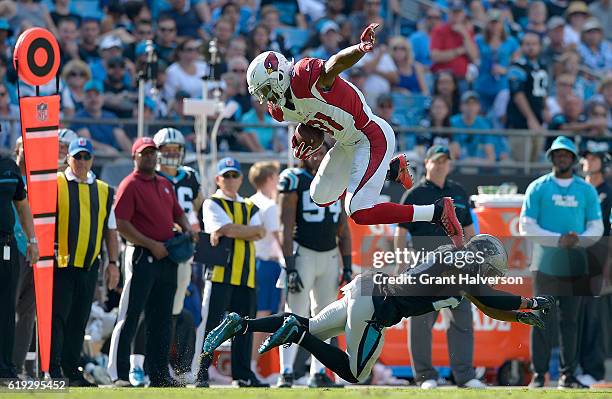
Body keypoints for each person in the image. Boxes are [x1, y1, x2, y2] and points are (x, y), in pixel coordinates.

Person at [202, 234, 552, 385]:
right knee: (354, 374)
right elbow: (489, 297)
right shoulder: (463, 267)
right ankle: (295, 335)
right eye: (489, 268)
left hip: (366, 287)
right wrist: (529, 301)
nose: (487, 274)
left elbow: (487, 304)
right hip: (376, 306)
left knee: (311, 326)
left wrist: (517, 313)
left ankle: (241, 323)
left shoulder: (451, 259)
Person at [246, 24, 464, 248]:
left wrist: (359, 49)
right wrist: (306, 136)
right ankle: (391, 170)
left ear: (280, 75)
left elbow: (333, 65)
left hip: (371, 136)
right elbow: (314, 117)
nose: (266, 98)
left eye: (266, 90)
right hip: (347, 142)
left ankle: (437, 211)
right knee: (319, 196)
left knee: (358, 211)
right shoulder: (280, 110)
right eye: (262, 94)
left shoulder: (304, 76)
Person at [107, 137, 195, 387]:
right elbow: (122, 224)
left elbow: (178, 212)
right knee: (131, 314)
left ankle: (159, 375)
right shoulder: (129, 184)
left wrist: (187, 228)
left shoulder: (165, 184)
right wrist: (150, 244)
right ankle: (120, 373)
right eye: (144, 153)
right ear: (135, 157)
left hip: (167, 257)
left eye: (153, 153)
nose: (150, 157)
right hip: (142, 256)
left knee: (163, 318)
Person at [519, 136, 603, 389]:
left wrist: (578, 240)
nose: (562, 157)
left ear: (574, 159)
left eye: (567, 154)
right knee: (540, 318)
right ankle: (538, 375)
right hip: (545, 263)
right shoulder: (538, 187)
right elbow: (526, 225)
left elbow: (596, 225)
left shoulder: (586, 190)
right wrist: (558, 240)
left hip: (576, 263)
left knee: (571, 321)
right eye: (558, 153)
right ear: (552, 158)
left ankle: (568, 375)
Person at [395, 145, 480, 389]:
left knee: (462, 320)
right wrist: (402, 263)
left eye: (445, 160)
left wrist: (472, 259)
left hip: (456, 266)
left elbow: (468, 230)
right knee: (421, 321)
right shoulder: (414, 193)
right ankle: (425, 377)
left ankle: (465, 376)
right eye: (436, 160)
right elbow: (401, 233)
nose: (441, 164)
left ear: (450, 164)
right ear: (428, 163)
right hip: (424, 264)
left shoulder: (459, 192)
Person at [276, 143, 352, 388]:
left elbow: (343, 226)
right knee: (294, 313)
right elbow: (285, 226)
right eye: (313, 152)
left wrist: (347, 264)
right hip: (303, 253)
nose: (318, 157)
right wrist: (289, 265)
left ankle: (317, 372)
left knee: (325, 317)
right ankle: (286, 371)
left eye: (322, 152)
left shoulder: (336, 179)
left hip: (329, 255)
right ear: (303, 154)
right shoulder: (294, 179)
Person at [50, 138, 120, 386]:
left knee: (79, 319)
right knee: (57, 318)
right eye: (77, 157)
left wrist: (114, 263)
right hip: (60, 263)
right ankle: (53, 369)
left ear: (92, 159)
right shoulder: (55, 183)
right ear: (67, 158)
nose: (81, 162)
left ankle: (71, 370)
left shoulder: (103, 190)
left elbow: (110, 230)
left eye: (85, 157)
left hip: (89, 265)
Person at [194, 157, 267, 388]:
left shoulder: (249, 205)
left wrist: (232, 230)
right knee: (211, 325)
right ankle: (201, 373)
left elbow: (260, 232)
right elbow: (224, 228)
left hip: (245, 275)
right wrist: (242, 230)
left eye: (235, 175)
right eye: (226, 175)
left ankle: (243, 375)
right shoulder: (212, 202)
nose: (231, 179)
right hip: (219, 273)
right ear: (218, 179)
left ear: (241, 178)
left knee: (244, 326)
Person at [0, 151, 38, 380]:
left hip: (6, 246)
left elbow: (22, 206)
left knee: (6, 309)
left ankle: (5, 368)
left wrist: (32, 240)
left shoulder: (9, 167)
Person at [576, 148, 611, 387]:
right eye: (586, 157)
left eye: (594, 158)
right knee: (576, 315)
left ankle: (595, 370)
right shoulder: (578, 191)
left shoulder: (609, 192)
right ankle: (577, 367)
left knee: (595, 317)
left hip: (601, 261)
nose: (588, 161)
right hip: (576, 261)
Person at [247, 161, 283, 376]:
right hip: (267, 264)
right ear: (269, 179)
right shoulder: (268, 206)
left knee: (259, 316)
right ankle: (252, 365)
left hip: (255, 263)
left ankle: (252, 365)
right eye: (276, 177)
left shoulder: (250, 201)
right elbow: (277, 239)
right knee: (264, 316)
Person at [506, 31, 549, 162]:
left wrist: (545, 108)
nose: (531, 47)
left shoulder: (542, 66)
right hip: (521, 124)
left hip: (538, 122)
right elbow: (518, 95)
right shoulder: (517, 66)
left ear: (540, 46)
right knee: (522, 164)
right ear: (521, 46)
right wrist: (531, 118)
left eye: (534, 44)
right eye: (527, 44)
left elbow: (542, 91)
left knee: (536, 164)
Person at [70, 80, 132, 155]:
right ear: (83, 98)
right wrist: (105, 148)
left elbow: (121, 138)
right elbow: (86, 141)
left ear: (102, 97)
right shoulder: (79, 117)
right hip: (90, 159)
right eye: (89, 96)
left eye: (97, 95)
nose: (93, 99)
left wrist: (133, 155)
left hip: (112, 158)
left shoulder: (111, 116)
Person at [429, 0, 479, 85]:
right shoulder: (439, 30)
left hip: (462, 78)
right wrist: (459, 51)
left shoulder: (467, 32)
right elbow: (435, 57)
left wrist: (465, 35)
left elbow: (475, 57)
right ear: (448, 13)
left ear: (463, 14)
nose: (456, 15)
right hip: (442, 78)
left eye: (459, 12)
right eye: (454, 12)